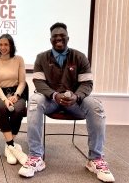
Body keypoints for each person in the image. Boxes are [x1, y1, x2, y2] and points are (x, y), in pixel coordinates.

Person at [18, 22, 115, 182]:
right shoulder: (41, 58)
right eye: (55, 36)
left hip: (75, 101)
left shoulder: (80, 57)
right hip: (51, 100)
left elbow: (87, 84)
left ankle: (95, 159)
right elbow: (39, 83)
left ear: (68, 38)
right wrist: (55, 95)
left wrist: (76, 96)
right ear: (50, 40)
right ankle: (36, 158)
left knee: (96, 105)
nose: (58, 39)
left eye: (62, 36)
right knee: (35, 100)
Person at [0, 34, 28, 165]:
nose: (3, 47)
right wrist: (5, 99)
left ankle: (8, 145)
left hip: (17, 92)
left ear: (11, 45)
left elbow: (22, 82)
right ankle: (12, 146)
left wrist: (16, 96)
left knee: (19, 109)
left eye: (6, 44)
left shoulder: (19, 59)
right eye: (1, 44)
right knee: (0, 107)